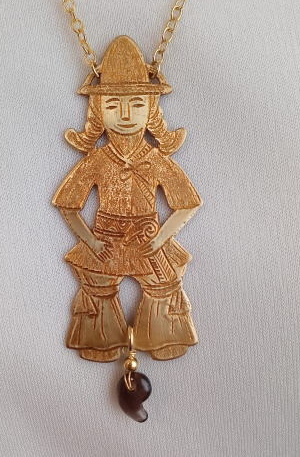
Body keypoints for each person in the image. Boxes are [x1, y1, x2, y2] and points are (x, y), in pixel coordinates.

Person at [52, 36, 202, 362]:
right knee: (97, 292)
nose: (124, 114)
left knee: (164, 288)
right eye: (112, 106)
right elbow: (67, 204)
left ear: (151, 111)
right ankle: (102, 343)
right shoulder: (97, 160)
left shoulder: (156, 159)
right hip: (106, 243)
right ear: (97, 112)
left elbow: (187, 203)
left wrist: (161, 239)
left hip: (149, 242)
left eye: (136, 104)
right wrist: (92, 243)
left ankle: (161, 338)